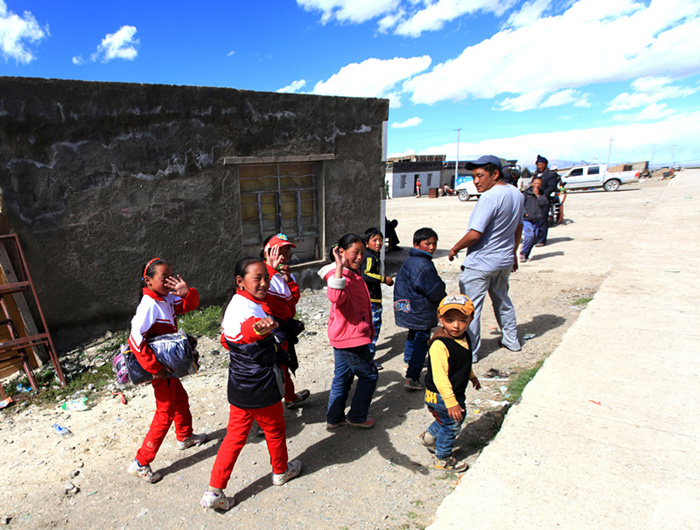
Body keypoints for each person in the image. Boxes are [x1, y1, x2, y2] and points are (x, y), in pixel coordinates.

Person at [201, 258, 302, 511]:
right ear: (240, 281)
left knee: (234, 437)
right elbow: (246, 330)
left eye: (265, 277)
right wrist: (258, 330)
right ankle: (281, 471)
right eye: (257, 278)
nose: (264, 283)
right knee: (275, 429)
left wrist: (282, 276)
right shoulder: (244, 311)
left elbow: (228, 340)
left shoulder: (242, 303)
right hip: (261, 386)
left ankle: (214, 491)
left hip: (240, 387)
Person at [127, 258, 206, 484]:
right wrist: (155, 368)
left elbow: (189, 305)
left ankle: (185, 436)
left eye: (171, 276)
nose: (170, 281)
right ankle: (141, 462)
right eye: (164, 278)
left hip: (167, 366)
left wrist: (186, 292)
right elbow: (135, 339)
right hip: (160, 368)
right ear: (148, 281)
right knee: (165, 412)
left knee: (180, 398)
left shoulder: (166, 298)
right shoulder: (149, 304)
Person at [448, 155, 524, 362]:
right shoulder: (516, 194)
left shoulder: (489, 197)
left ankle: (470, 354)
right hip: (503, 261)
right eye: (474, 176)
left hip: (481, 263)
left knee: (470, 309)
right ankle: (511, 340)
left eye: (480, 175)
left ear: (495, 174)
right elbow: (519, 227)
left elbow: (475, 234)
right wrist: (514, 253)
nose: (476, 181)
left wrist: (455, 248)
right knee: (502, 300)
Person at [318, 234, 378, 430]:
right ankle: (358, 416)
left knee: (342, 377)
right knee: (369, 375)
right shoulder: (338, 275)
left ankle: (334, 417)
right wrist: (338, 266)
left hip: (345, 336)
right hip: (351, 339)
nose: (360, 257)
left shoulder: (353, 273)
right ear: (341, 252)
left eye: (362, 253)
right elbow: (334, 295)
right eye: (355, 253)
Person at [419, 294, 481, 471]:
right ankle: (443, 458)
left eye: (463, 320)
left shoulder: (463, 337)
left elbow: (463, 362)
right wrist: (451, 402)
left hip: (443, 395)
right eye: (450, 319)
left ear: (471, 318)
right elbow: (440, 377)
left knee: (444, 419)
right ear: (440, 318)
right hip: (442, 395)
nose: (456, 325)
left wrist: (472, 376)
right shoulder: (440, 344)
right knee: (453, 423)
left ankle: (429, 438)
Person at [393, 228, 447, 391]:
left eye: (434, 244)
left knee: (413, 333)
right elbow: (434, 289)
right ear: (416, 244)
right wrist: (444, 303)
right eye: (427, 244)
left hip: (408, 307)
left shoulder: (411, 260)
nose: (431, 247)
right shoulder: (423, 265)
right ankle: (412, 377)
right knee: (422, 341)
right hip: (419, 309)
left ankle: (409, 360)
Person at [261, 234, 310, 410]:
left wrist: (289, 281)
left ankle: (289, 397)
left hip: (283, 328)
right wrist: (271, 270)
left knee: (284, 365)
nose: (283, 256)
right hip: (270, 330)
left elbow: (293, 300)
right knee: (273, 370)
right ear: (267, 253)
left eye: (287, 252)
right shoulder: (261, 275)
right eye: (278, 252)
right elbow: (259, 298)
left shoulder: (284, 274)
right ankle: (265, 418)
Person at [360, 227, 394, 370]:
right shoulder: (369, 257)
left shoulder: (373, 255)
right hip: (371, 299)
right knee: (373, 329)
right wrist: (383, 279)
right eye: (375, 240)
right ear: (367, 243)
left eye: (380, 240)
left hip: (371, 299)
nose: (379, 243)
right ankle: (369, 361)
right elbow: (366, 274)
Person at [532, 155, 560, 246]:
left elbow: (551, 187)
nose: (539, 166)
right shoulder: (536, 174)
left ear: (545, 164)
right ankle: (534, 238)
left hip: (544, 199)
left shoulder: (550, 175)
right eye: (538, 165)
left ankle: (541, 240)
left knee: (543, 219)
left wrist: (542, 195)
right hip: (534, 200)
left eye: (541, 164)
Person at [520, 177, 548, 262]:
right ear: (531, 183)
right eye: (535, 183)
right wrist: (524, 213)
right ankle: (523, 253)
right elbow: (520, 205)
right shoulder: (526, 194)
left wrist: (538, 196)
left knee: (534, 238)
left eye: (539, 183)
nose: (537, 185)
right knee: (529, 236)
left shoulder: (542, 194)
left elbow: (545, 203)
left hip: (537, 219)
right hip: (527, 219)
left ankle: (526, 252)